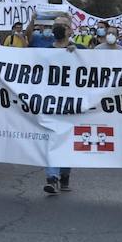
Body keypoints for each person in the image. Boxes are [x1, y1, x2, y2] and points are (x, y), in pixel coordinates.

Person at [42, 21, 78, 195]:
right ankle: (52, 178)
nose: (61, 28)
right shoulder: (46, 50)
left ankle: (64, 176)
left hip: (72, 104)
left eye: (64, 26)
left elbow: (95, 64)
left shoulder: (80, 50)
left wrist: (76, 53)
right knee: (53, 139)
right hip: (51, 102)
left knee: (67, 141)